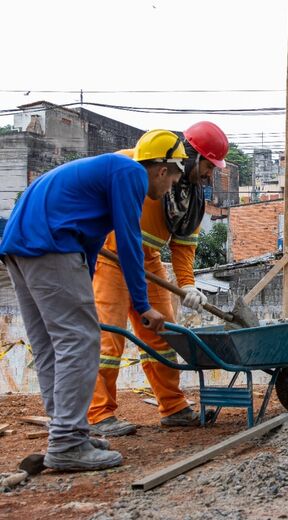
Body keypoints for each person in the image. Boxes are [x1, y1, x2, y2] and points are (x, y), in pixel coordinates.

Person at [0, 129, 185, 471]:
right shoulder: (131, 174)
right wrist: (143, 305)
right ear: (162, 170)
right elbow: (128, 242)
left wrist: (82, 290)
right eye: (173, 180)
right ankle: (68, 443)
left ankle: (68, 434)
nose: (170, 188)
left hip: (19, 245)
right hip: (51, 243)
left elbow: (94, 241)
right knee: (80, 341)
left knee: (51, 346)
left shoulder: (107, 172)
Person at [88, 122, 229, 436]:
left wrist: (187, 284)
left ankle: (174, 406)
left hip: (149, 262)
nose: (210, 174)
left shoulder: (192, 200)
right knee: (108, 339)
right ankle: (99, 415)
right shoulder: (136, 162)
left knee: (163, 336)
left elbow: (183, 247)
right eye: (208, 165)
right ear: (192, 157)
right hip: (111, 255)